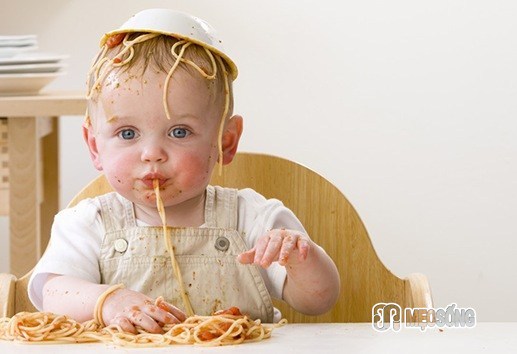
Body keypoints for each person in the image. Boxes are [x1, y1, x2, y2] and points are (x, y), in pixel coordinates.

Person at [28, 8, 340, 334]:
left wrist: (300, 259)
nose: (152, 154)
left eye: (179, 132)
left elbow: (318, 301)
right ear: (95, 146)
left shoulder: (252, 219)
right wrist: (108, 302)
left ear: (225, 142)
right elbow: (52, 291)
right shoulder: (89, 225)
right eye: (127, 133)